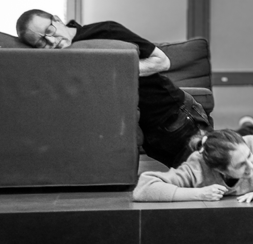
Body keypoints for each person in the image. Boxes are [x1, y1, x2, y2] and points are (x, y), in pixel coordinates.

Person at [16, 9, 209, 168]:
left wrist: (110, 70)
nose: (50, 41)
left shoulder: (105, 31)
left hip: (177, 116)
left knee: (212, 177)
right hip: (150, 134)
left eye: (49, 31)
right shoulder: (59, 60)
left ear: (57, 19)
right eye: (40, 41)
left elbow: (162, 61)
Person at [133, 129, 253, 202]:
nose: (251, 168)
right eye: (242, 166)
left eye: (249, 158)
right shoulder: (198, 166)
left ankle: (249, 126)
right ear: (220, 169)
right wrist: (197, 193)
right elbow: (143, 188)